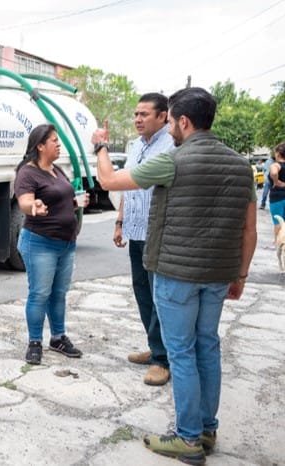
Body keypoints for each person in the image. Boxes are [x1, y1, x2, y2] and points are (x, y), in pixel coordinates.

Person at [93, 87, 256, 465]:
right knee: (207, 347)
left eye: (170, 123)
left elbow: (109, 182)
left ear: (183, 121)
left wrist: (101, 147)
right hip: (218, 275)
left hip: (176, 275)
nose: (168, 130)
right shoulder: (239, 165)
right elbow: (250, 231)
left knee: (181, 353)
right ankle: (207, 429)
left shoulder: (173, 160)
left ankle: (187, 438)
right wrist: (241, 274)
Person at [15, 124, 88, 365]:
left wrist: (77, 202)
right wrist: (32, 206)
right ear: (40, 146)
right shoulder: (28, 172)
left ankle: (58, 338)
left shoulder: (56, 170)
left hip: (66, 244)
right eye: (54, 140)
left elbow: (62, 199)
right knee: (40, 294)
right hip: (40, 243)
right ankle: (34, 342)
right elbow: (25, 201)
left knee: (59, 294)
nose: (58, 144)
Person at [114, 93, 174, 386]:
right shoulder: (135, 145)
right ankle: (155, 348)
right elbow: (129, 186)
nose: (138, 119)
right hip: (136, 231)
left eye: (145, 114)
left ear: (163, 116)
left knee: (159, 295)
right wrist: (120, 221)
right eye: (136, 114)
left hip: (158, 233)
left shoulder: (171, 145)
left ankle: (164, 359)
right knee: (142, 292)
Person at [268, 143, 285, 236]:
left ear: (278, 154)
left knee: (278, 223)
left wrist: (276, 181)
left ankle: (279, 247)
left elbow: (274, 172)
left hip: (277, 199)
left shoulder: (276, 164)